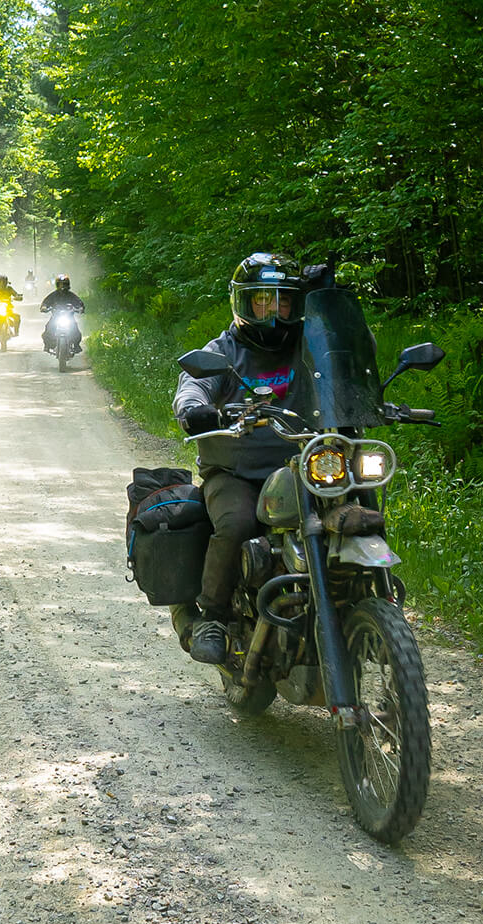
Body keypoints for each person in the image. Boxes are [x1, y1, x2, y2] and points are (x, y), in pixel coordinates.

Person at [171, 252, 330, 663]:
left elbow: (349, 360)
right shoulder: (223, 352)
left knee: (348, 513)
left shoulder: (311, 345)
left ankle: (363, 599)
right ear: (243, 304)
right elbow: (192, 387)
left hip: (306, 467)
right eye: (262, 300)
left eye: (283, 300)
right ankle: (214, 615)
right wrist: (195, 409)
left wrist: (329, 298)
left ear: (296, 304)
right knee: (238, 522)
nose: (273, 311)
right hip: (236, 472)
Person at [39, 274, 85, 353]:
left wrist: (80, 308)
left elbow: (78, 302)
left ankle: (76, 345)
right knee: (48, 327)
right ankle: (48, 345)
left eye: (64, 284)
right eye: (60, 284)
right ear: (57, 285)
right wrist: (44, 307)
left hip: (69, 317)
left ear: (68, 285)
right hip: (56, 317)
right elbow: (46, 302)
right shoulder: (53, 295)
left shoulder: (71, 295)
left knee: (75, 329)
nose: (62, 286)